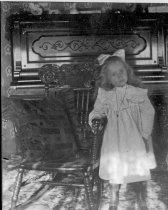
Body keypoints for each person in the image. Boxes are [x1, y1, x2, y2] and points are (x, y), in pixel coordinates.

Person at [89, 49, 156, 210]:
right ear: (107, 78)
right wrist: (95, 120)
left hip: (135, 136)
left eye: (121, 71)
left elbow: (149, 111)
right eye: (114, 74)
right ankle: (114, 198)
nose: (119, 76)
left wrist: (145, 132)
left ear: (127, 71)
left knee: (137, 167)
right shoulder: (105, 94)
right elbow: (97, 111)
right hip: (114, 137)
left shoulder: (137, 93)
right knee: (115, 166)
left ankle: (141, 198)